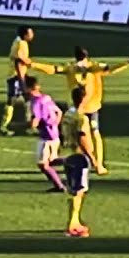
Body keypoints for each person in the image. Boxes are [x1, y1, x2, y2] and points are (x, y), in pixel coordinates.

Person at [30, 46, 129, 176]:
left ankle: (98, 164)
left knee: (94, 133)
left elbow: (110, 69)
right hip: (77, 109)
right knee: (77, 138)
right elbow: (53, 69)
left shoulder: (94, 67)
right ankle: (82, 162)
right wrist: (33, 64)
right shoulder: (72, 67)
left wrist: (128, 63)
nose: (81, 65)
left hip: (91, 107)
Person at [54, 86, 97, 237]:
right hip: (78, 156)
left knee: (74, 190)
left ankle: (75, 220)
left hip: (68, 155)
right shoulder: (81, 118)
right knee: (79, 191)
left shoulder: (68, 114)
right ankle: (72, 225)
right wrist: (94, 160)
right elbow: (82, 138)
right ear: (84, 98)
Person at [26, 76, 66, 193]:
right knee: (52, 160)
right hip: (54, 135)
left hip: (46, 137)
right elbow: (59, 112)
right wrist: (54, 125)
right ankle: (72, 161)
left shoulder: (35, 103)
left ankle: (59, 186)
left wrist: (19, 126)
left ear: (28, 88)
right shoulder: (46, 98)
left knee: (43, 165)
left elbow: (34, 122)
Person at [0, 25, 35, 136]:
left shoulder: (20, 42)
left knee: (28, 99)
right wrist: (21, 79)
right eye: (30, 33)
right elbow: (18, 61)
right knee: (12, 101)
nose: (32, 35)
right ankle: (3, 127)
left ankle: (31, 125)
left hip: (19, 76)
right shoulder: (20, 44)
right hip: (16, 77)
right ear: (25, 34)